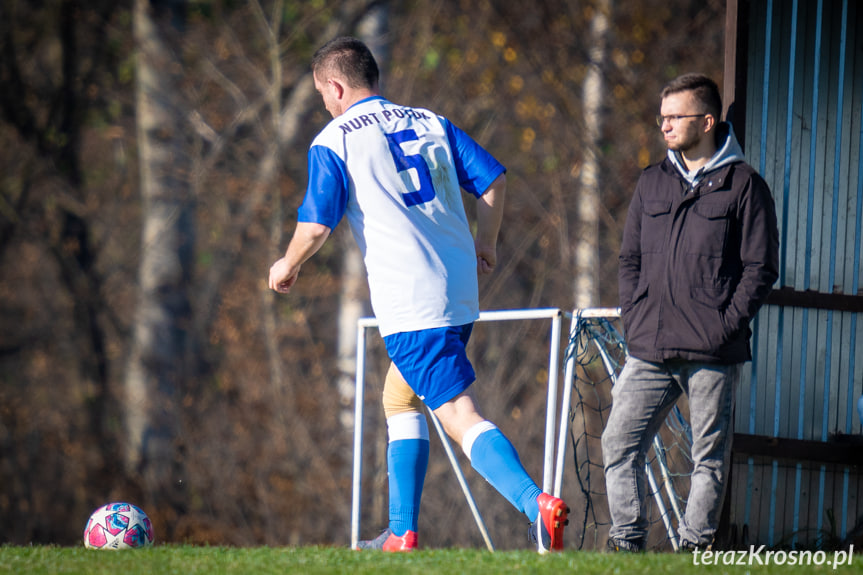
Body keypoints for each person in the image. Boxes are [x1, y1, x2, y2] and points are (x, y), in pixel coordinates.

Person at [268, 36, 569, 553]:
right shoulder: (429, 120)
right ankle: (401, 531)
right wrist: (487, 243)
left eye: (322, 93)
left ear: (335, 86)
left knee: (456, 413)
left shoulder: (335, 139)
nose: (324, 102)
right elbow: (494, 180)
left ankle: (535, 503)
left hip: (412, 300)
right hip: (458, 289)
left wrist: (286, 263)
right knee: (399, 394)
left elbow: (316, 226)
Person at [603, 73, 779, 552]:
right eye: (661, 118)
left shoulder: (745, 186)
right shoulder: (651, 181)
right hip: (649, 345)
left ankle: (693, 549)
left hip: (712, 350)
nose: (665, 126)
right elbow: (630, 259)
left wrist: (725, 326)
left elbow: (760, 269)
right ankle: (627, 543)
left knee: (709, 458)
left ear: (707, 120)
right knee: (617, 446)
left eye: (675, 117)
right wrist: (633, 316)